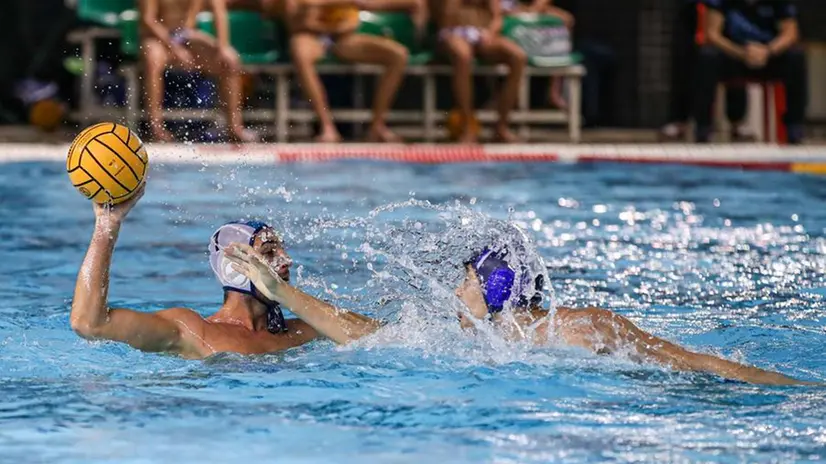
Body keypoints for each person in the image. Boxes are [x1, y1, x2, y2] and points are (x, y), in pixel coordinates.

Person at [225, 240, 817, 386]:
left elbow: (689, 363)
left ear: (494, 288)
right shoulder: (465, 343)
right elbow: (355, 331)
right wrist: (282, 293)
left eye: (464, 283)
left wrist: (793, 386)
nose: (455, 296)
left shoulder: (583, 326)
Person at [69, 185, 333, 358]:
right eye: (269, 252)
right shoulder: (193, 330)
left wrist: (284, 294)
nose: (287, 260)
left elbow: (372, 337)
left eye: (282, 250)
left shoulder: (301, 331)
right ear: (234, 267)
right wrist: (107, 225)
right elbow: (89, 323)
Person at [284, 0, 419, 143]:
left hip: (344, 38)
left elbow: (365, 6)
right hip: (311, 36)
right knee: (300, 51)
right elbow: (294, 18)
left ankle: (377, 126)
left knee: (399, 55)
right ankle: (327, 127)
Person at [139, 0, 257, 143]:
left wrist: (222, 46)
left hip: (186, 36)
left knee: (229, 60)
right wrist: (174, 47)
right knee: (152, 58)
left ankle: (234, 127)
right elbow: (149, 19)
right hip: (159, 38)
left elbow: (218, 10)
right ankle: (156, 127)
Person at [693, 0, 806, 144]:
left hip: (768, 56)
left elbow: (790, 33)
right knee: (707, 56)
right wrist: (741, 52)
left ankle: (794, 128)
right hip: (733, 55)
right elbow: (713, 34)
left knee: (795, 56)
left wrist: (767, 51)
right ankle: (703, 129)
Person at [660, 0, 753, 142]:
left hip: (725, 10)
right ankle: (681, 120)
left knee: (733, 57)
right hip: (691, 12)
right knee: (684, 61)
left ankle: (737, 121)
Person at [437, 0, 527, 143]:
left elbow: (497, 17)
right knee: (463, 56)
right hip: (452, 31)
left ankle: (501, 127)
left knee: (518, 57)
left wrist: (490, 33)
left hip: (482, 31)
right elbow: (448, 14)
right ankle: (466, 128)